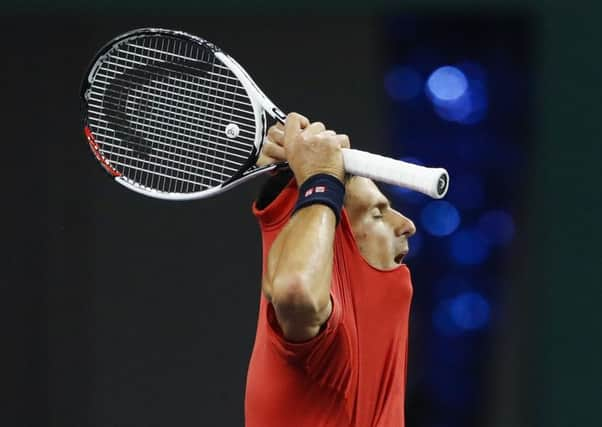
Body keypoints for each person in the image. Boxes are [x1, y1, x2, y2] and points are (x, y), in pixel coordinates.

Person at [245, 113, 416, 427]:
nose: (407, 225)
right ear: (331, 240)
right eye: (377, 214)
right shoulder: (329, 343)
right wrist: (320, 182)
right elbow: (296, 287)